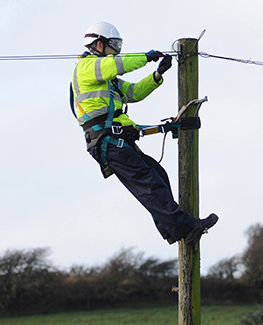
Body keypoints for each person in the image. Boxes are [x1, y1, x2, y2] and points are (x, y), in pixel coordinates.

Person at [70, 21, 218, 245]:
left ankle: (171, 229)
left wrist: (157, 74)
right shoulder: (87, 67)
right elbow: (117, 64)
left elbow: (134, 92)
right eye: (114, 45)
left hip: (117, 140)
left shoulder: (107, 80)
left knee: (158, 175)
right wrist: (146, 57)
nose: (117, 50)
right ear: (99, 44)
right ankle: (186, 228)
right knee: (149, 184)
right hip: (107, 140)